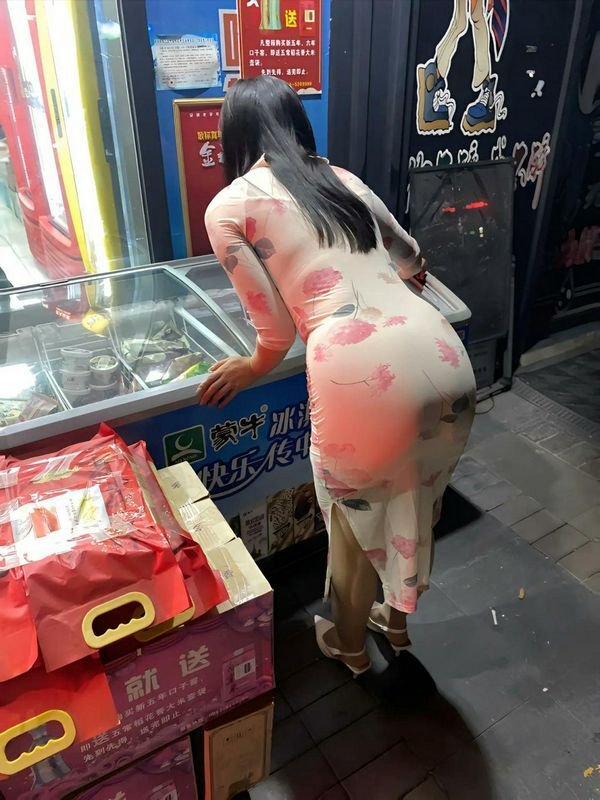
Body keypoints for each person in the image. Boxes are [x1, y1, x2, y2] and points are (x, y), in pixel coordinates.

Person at [199, 76, 475, 675]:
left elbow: (275, 333)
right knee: (416, 497)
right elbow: (409, 255)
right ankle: (393, 623)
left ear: (234, 134)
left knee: (352, 524)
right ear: (297, 122)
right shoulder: (341, 178)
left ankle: (349, 647)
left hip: (359, 376)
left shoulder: (227, 208)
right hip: (443, 355)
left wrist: (250, 369)